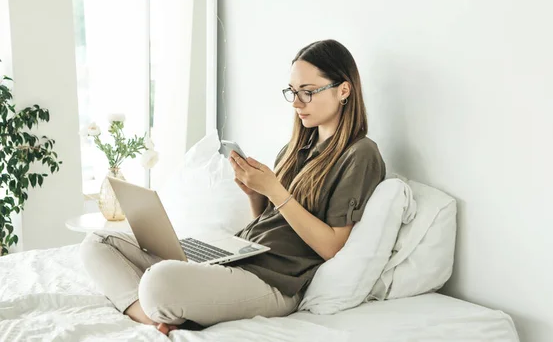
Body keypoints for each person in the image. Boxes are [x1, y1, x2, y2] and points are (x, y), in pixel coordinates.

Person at [79, 39, 386, 336]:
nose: (296, 103)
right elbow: (270, 222)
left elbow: (332, 246)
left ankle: (156, 304)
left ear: (343, 89)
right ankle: (150, 317)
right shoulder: (296, 148)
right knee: (98, 243)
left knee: (158, 282)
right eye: (292, 92)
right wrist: (256, 195)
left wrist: (276, 191)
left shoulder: (360, 154)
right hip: (242, 255)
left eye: (307, 93)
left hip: (276, 281)